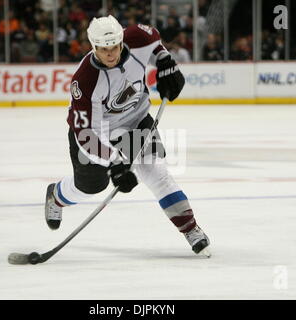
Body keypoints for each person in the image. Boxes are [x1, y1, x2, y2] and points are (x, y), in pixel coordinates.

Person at [44, 15, 210, 255]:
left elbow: (155, 45)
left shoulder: (138, 37)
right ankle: (56, 196)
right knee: (90, 188)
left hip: (136, 121)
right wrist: (116, 162)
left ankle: (190, 229)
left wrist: (164, 61)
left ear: (122, 41)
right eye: (103, 50)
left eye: (114, 48)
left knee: (156, 173)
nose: (110, 54)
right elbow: (87, 133)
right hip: (96, 134)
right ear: (93, 47)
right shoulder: (86, 80)